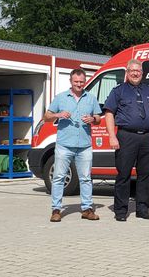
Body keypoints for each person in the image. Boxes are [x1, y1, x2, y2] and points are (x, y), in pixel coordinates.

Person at [103, 59, 149, 222]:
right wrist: (112, 135)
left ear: (142, 73)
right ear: (127, 72)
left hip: (147, 136)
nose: (135, 73)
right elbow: (109, 113)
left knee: (146, 174)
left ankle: (142, 209)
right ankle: (121, 211)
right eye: (132, 70)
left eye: (138, 71)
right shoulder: (118, 91)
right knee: (123, 174)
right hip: (126, 136)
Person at [44, 69, 103, 222]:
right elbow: (46, 116)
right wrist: (58, 115)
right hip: (64, 144)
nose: (79, 84)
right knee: (58, 178)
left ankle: (87, 209)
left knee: (85, 178)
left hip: (84, 145)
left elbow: (99, 118)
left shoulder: (91, 98)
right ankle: (56, 210)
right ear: (71, 81)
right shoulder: (61, 98)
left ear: (85, 81)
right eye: (76, 82)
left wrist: (92, 119)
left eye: (81, 82)